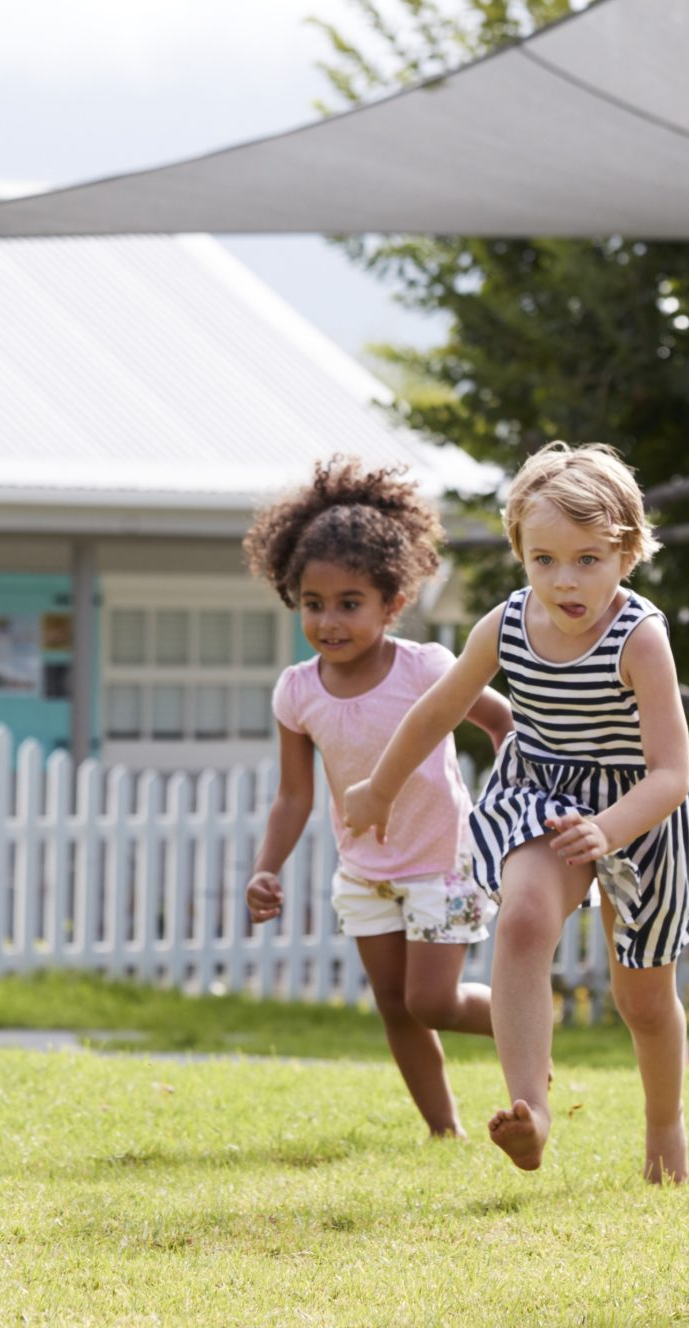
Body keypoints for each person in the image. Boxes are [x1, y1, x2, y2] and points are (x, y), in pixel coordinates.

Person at [341, 443, 689, 1183]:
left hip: (639, 809)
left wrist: (611, 829)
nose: (564, 580)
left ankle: (664, 1127)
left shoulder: (640, 637)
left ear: (627, 553)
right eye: (544, 560)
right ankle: (528, 1112)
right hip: (542, 792)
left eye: (588, 559)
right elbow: (437, 709)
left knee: (644, 1001)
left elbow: (672, 773)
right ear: (521, 555)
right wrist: (380, 786)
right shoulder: (505, 625)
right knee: (526, 919)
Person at [243, 455, 515, 1137]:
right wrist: (265, 868)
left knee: (432, 1000)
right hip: (364, 870)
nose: (328, 621)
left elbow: (503, 722)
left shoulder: (426, 668)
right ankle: (442, 1131)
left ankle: (525, 1027)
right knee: (395, 1007)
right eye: (313, 604)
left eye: (349, 604)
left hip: (442, 862)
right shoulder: (297, 691)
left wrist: (517, 801)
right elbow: (293, 797)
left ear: (393, 604)